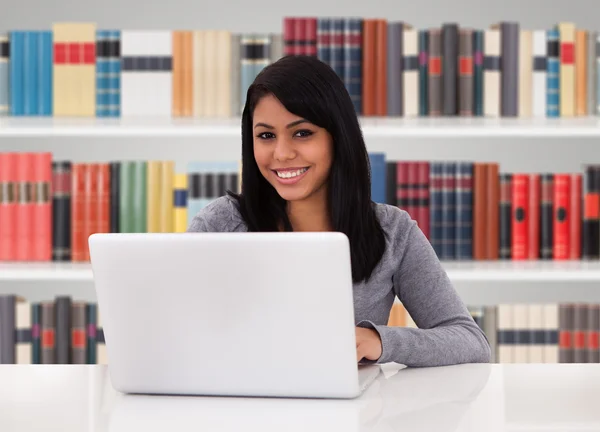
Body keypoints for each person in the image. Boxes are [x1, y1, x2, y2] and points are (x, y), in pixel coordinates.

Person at [187, 55, 491, 367]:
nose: (282, 153)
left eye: (302, 133)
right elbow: (176, 330)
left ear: (337, 137)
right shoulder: (219, 224)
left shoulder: (392, 231)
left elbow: (470, 341)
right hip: (237, 407)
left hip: (348, 412)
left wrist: (377, 341)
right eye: (266, 135)